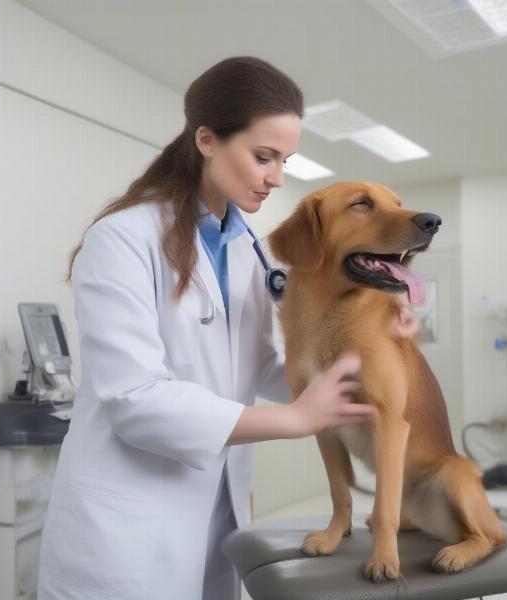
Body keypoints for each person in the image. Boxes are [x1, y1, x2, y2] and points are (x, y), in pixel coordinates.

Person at [36, 56, 380, 600]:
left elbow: (260, 363)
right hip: (128, 528)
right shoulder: (123, 239)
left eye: (285, 160)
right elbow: (136, 398)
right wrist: (295, 420)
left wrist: (364, 358)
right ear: (206, 139)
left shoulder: (245, 248)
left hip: (218, 510)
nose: (276, 178)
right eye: (263, 157)